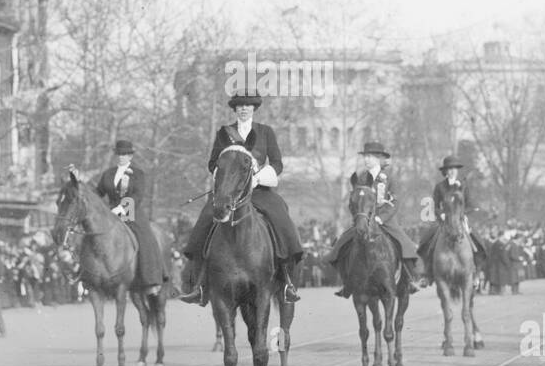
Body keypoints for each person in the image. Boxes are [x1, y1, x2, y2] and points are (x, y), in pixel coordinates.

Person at [178, 95, 304, 305]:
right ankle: (199, 284)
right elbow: (212, 163)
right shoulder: (224, 133)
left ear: (254, 109)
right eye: (239, 107)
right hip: (229, 190)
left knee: (280, 217)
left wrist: (258, 176)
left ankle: (286, 281)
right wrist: (225, 176)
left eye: (247, 106)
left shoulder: (265, 132)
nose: (243, 110)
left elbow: (277, 163)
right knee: (204, 221)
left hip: (258, 189)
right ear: (235, 110)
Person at [324, 141, 424, 296]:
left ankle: (410, 280)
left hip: (385, 222)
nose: (366, 160)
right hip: (364, 221)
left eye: (370, 156)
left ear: (379, 158)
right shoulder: (361, 178)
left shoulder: (390, 178)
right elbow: (356, 199)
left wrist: (380, 218)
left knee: (406, 246)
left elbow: (395, 202)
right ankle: (347, 282)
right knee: (342, 244)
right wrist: (359, 216)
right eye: (365, 156)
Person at [95, 140, 168, 296]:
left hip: (131, 212)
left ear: (130, 156)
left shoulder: (138, 174)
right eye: (119, 154)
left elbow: (137, 195)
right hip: (111, 214)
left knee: (144, 238)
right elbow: (98, 193)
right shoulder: (108, 174)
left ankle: (151, 279)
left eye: (125, 154)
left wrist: (122, 208)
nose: (121, 157)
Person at [417, 155, 488, 283]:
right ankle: (427, 274)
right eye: (449, 169)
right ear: (445, 171)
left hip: (460, 219)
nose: (452, 171)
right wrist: (441, 214)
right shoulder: (439, 187)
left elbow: (470, 205)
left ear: (457, 170)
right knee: (427, 241)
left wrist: (462, 213)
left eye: (454, 169)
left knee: (477, 242)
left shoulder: (464, 185)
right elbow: (435, 205)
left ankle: (476, 272)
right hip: (444, 221)